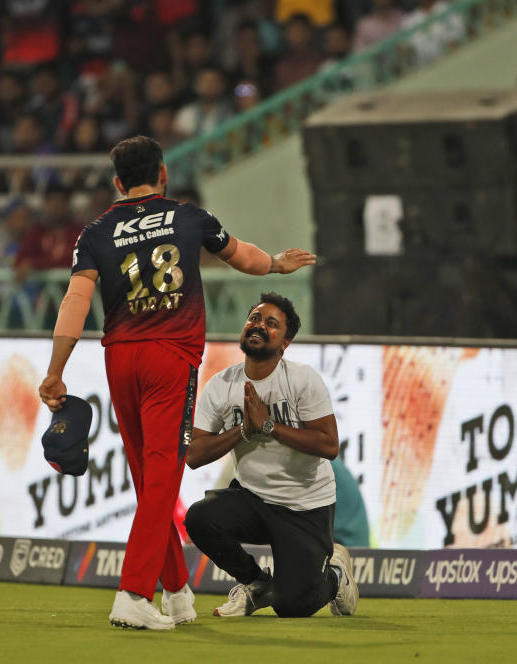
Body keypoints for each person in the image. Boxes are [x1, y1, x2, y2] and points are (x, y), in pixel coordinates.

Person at [37, 136, 315, 630]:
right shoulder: (189, 217)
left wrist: (56, 369)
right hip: (171, 356)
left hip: (119, 357)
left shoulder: (96, 233)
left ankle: (176, 592)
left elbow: (75, 301)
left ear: (118, 182)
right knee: (164, 476)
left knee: (148, 480)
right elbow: (243, 256)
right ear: (163, 174)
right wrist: (277, 263)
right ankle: (132, 594)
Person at [183, 292, 358, 619]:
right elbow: (193, 455)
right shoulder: (222, 385)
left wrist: (269, 425)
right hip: (253, 499)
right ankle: (256, 582)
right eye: (254, 318)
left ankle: (335, 574)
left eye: (271, 323)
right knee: (199, 518)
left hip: (304, 506)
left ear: (285, 343)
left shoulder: (302, 380)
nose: (259, 325)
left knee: (292, 606)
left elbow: (328, 445)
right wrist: (244, 431)